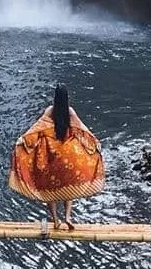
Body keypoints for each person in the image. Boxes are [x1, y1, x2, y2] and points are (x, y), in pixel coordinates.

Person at [8, 85, 105, 230]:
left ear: (55, 98)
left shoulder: (50, 111)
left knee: (49, 187)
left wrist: (23, 140)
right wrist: (94, 143)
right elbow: (81, 129)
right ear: (67, 98)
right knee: (68, 183)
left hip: (51, 154)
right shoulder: (70, 111)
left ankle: (55, 220)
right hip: (68, 153)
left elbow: (37, 128)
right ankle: (67, 217)